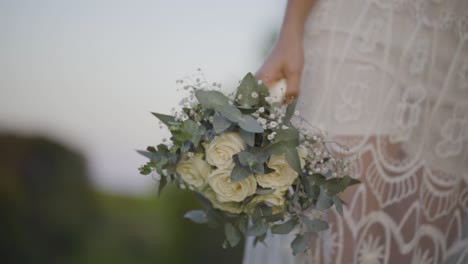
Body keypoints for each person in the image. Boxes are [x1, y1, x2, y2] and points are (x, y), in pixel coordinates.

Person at [243, 0, 468, 263]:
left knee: (421, 249)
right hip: (359, 22)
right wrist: (290, 29)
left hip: (456, 47)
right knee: (347, 239)